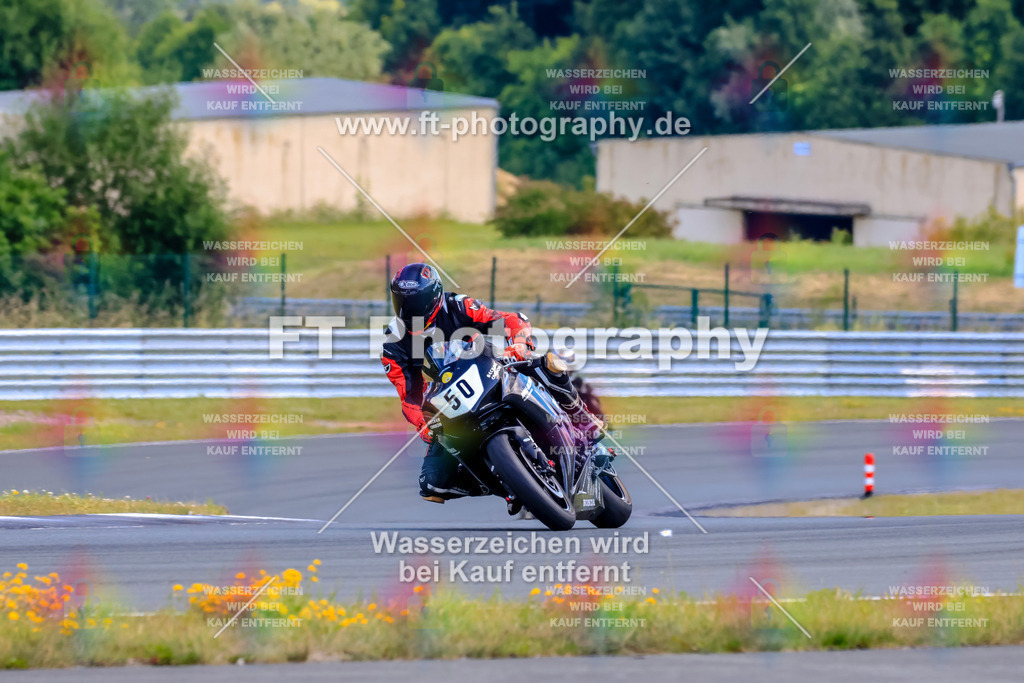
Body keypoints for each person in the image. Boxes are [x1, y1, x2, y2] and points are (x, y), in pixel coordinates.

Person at [380, 263, 604, 507]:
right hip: (452, 395)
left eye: (415, 301)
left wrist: (519, 343)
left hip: (490, 365)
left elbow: (508, 320)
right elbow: (409, 396)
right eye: (400, 301)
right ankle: (509, 484)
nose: (407, 309)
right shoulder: (394, 341)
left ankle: (583, 418)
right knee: (431, 485)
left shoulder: (456, 305)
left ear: (433, 296)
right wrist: (424, 424)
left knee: (549, 364)